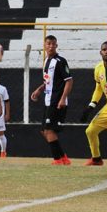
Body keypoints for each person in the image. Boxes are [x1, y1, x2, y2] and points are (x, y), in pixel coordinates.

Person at [30, 35, 73, 165]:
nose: (51, 46)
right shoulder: (46, 61)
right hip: (48, 100)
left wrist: (62, 99)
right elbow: (48, 81)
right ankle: (63, 158)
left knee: (49, 131)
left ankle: (58, 160)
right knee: (44, 131)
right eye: (48, 43)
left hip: (57, 101)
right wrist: (39, 89)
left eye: (53, 44)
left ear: (56, 45)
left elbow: (69, 81)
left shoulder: (60, 61)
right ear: (44, 45)